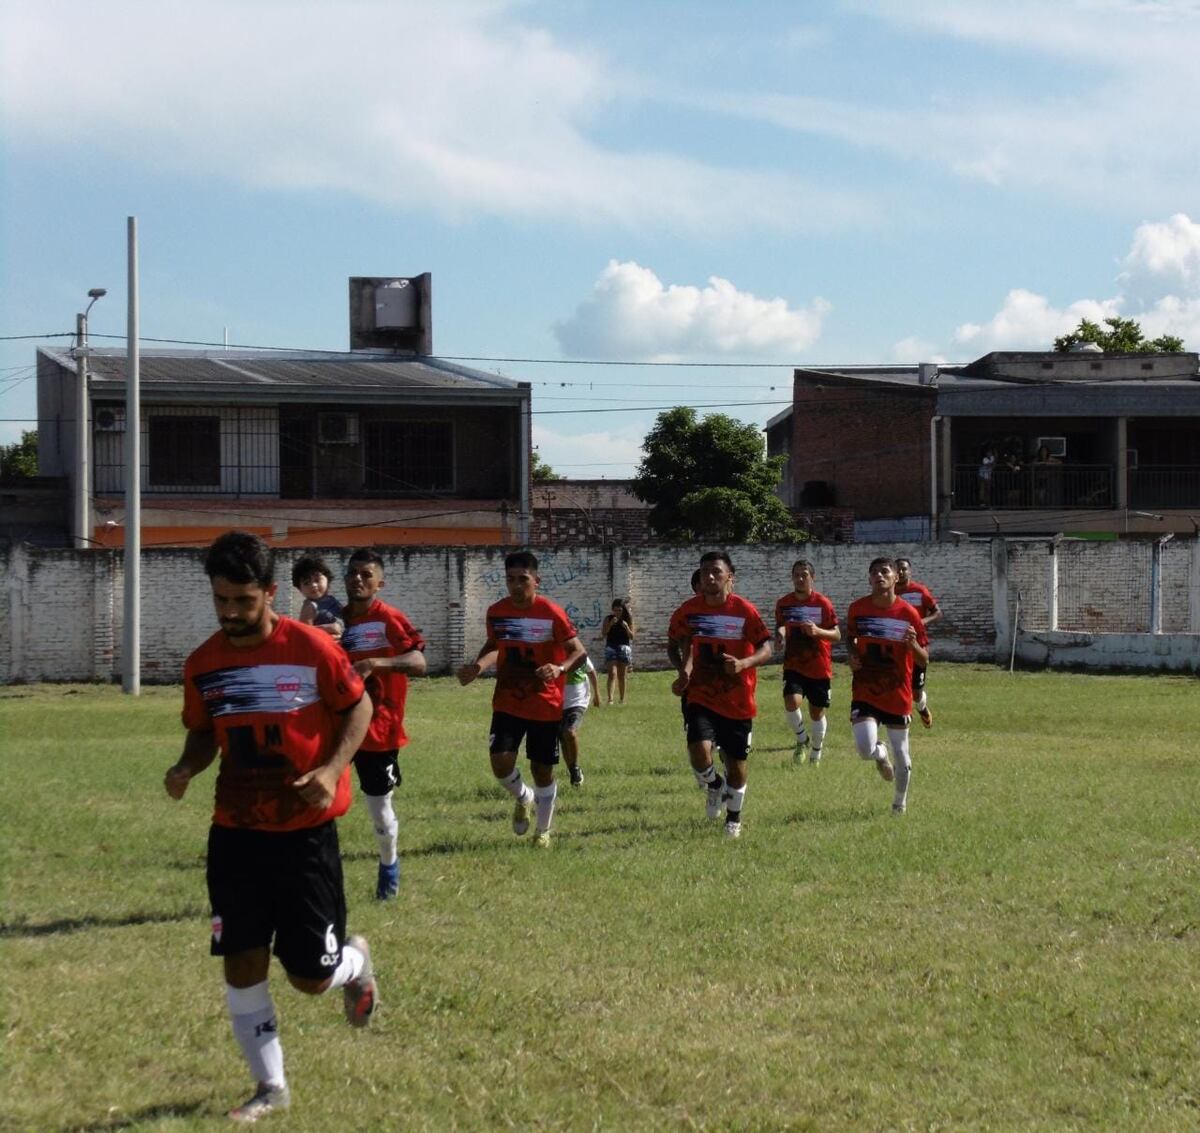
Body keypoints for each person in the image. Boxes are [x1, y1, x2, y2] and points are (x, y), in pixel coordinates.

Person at [164, 531, 377, 1123]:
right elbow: (203, 731)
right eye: (221, 600)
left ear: (270, 592)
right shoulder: (204, 664)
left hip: (304, 835)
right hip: (235, 833)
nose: (230, 612)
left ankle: (355, 963)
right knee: (242, 960)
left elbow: (358, 706)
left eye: (243, 600)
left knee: (311, 977)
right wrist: (186, 766)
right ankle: (270, 1086)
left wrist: (330, 770)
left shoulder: (311, 649)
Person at [456, 551, 585, 849]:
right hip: (508, 701)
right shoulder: (497, 612)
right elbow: (495, 646)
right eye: (510, 579)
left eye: (523, 579)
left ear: (536, 581)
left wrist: (559, 668)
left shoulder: (551, 612)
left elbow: (579, 652)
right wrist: (478, 667)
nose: (516, 585)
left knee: (542, 769)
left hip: (545, 704)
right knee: (500, 764)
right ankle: (524, 796)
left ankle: (542, 831)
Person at [339, 548, 427, 900]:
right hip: (336, 724)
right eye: (352, 573)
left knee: (379, 808)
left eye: (366, 574)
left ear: (379, 583)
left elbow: (418, 662)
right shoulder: (336, 621)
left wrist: (376, 663)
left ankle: (389, 864)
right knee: (316, 797)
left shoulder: (388, 618)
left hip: (379, 728)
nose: (357, 579)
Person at [667, 551, 773, 839]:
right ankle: (714, 785)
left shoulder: (744, 610)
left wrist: (744, 663)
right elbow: (672, 643)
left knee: (737, 766)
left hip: (738, 699)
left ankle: (733, 818)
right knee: (699, 751)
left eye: (716, 571)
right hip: (701, 694)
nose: (710, 577)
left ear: (729, 577)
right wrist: (682, 671)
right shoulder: (689, 611)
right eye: (705, 572)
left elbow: (767, 647)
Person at [845, 557, 929, 816]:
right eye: (874, 573)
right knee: (864, 749)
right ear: (869, 579)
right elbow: (850, 638)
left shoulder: (909, 614)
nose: (879, 576)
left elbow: (924, 659)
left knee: (902, 754)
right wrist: (852, 655)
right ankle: (880, 754)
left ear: (896, 578)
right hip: (865, 690)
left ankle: (899, 804)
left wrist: (912, 645)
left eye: (884, 571)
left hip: (897, 693)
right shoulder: (857, 609)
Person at [774, 559, 841, 764]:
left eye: (804, 575)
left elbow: (837, 635)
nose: (800, 579)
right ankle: (802, 739)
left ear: (812, 578)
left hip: (819, 667)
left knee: (816, 712)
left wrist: (818, 631)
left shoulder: (823, 603)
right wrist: (780, 635)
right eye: (796, 575)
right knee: (791, 701)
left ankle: (816, 753)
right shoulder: (784, 603)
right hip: (793, 664)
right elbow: (782, 625)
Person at [894, 557, 940, 728]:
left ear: (910, 571)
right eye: (898, 569)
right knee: (898, 683)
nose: (901, 572)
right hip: (897, 645)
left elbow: (937, 612)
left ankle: (921, 707)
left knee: (916, 692)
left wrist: (921, 622)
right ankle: (902, 715)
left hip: (918, 645)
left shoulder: (920, 591)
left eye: (904, 569)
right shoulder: (889, 593)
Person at [560, 653, 600, 786]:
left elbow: (591, 671)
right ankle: (573, 771)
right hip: (558, 702)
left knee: (570, 732)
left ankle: (575, 767)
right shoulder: (553, 654)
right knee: (563, 739)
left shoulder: (579, 655)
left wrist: (597, 694)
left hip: (578, 701)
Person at [292, 554, 344, 639]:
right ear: (300, 589)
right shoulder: (310, 606)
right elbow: (304, 633)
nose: (313, 585)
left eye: (317, 580)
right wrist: (328, 628)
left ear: (328, 579)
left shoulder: (332, 600)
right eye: (306, 583)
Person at [600, 599, 636, 705]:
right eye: (615, 610)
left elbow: (632, 636)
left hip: (624, 647)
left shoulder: (627, 619)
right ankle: (610, 699)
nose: (617, 612)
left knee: (622, 675)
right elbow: (603, 633)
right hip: (611, 647)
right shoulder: (608, 619)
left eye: (619, 610)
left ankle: (621, 699)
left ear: (623, 610)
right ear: (612, 610)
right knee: (612, 673)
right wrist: (610, 624)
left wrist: (626, 627)